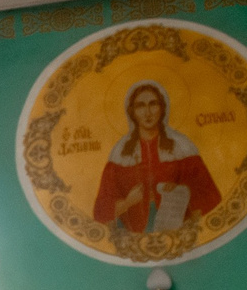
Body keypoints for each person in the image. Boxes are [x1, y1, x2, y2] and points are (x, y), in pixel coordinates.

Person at [93, 82, 222, 235]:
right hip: (133, 234)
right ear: (132, 112)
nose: (148, 113)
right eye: (140, 106)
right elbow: (101, 210)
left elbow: (210, 195)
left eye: (153, 104)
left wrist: (181, 190)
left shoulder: (182, 146)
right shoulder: (120, 152)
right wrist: (128, 202)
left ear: (162, 108)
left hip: (176, 230)